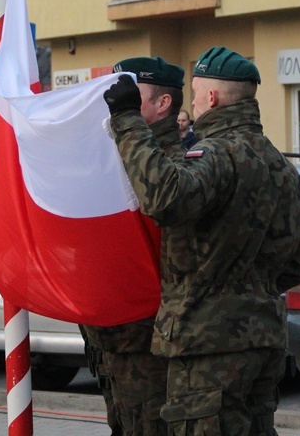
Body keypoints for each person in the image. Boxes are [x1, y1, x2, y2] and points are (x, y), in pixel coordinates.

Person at [103, 46, 300, 436]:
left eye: (195, 94)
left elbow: (164, 196)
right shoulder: (281, 165)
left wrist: (127, 120)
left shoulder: (213, 154)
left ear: (211, 98)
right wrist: (251, 287)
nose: (191, 104)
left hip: (207, 346)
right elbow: (298, 258)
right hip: (263, 337)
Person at [81, 56, 186, 436]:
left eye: (130, 94)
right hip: (111, 338)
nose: (115, 101)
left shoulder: (176, 165)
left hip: (150, 342)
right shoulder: (111, 159)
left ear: (163, 104)